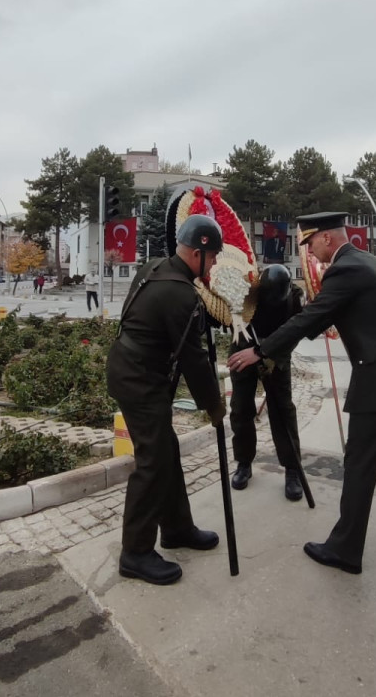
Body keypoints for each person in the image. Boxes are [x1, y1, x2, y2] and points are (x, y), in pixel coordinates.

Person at [227, 212, 376, 575]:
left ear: (325, 238)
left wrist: (259, 351)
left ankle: (346, 549)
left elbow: (310, 318)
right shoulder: (367, 260)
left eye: (310, 244)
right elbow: (320, 317)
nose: (311, 253)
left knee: (359, 465)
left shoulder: (345, 269)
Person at [105, 215, 227, 585]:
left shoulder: (154, 266)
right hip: (140, 380)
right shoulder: (180, 293)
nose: (216, 264)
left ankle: (176, 529)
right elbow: (193, 360)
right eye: (214, 256)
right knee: (153, 462)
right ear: (196, 253)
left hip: (131, 368)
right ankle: (135, 553)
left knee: (166, 451)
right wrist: (215, 406)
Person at [229, 265, 304, 501]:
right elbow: (232, 320)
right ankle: (243, 462)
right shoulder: (245, 291)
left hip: (276, 355)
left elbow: (294, 333)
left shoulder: (293, 299)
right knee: (241, 408)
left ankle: (292, 468)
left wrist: (268, 354)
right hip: (244, 350)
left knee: (283, 410)